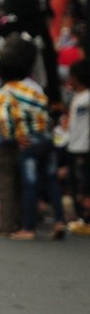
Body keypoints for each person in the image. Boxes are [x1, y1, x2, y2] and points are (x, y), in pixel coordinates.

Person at [0, 34, 66, 241]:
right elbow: (46, 111)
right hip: (46, 138)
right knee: (51, 180)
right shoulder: (34, 87)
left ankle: (28, 228)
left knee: (30, 183)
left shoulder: (5, 92)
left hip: (29, 142)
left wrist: (14, 137)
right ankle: (60, 220)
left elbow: (4, 120)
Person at [65, 59, 90, 235]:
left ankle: (86, 219)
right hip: (73, 144)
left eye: (71, 77)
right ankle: (82, 217)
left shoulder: (87, 98)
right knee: (77, 183)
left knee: (83, 184)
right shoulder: (78, 97)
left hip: (83, 146)